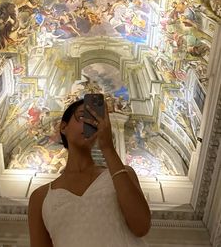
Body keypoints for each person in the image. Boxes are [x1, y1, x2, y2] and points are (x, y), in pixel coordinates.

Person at [28, 98, 151, 247]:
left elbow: (141, 226)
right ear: (63, 127)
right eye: (81, 117)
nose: (89, 124)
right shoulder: (40, 197)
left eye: (94, 120)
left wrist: (107, 148)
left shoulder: (122, 174)